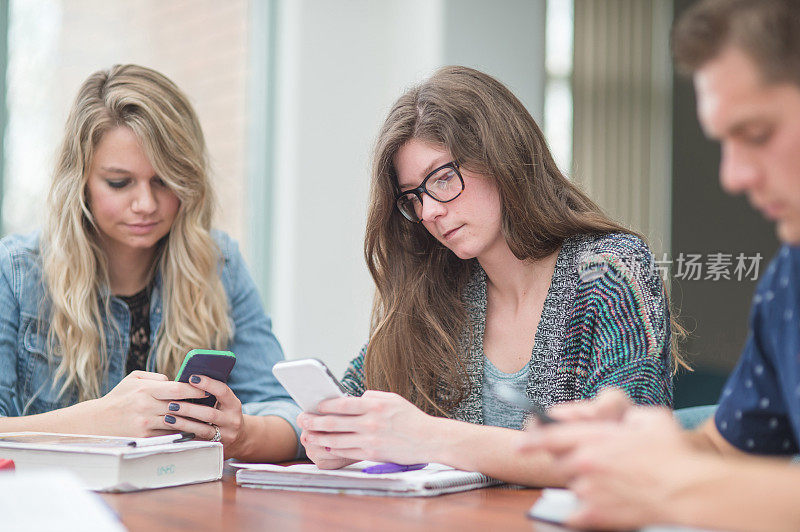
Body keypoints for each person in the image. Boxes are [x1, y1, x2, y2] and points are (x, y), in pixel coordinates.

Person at [297, 66, 685, 485]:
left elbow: (626, 455)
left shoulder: (610, 272)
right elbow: (356, 397)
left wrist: (426, 436)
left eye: (443, 178)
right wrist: (338, 436)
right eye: (413, 197)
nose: (429, 212)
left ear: (501, 159)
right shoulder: (438, 289)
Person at [524, 1, 800, 530]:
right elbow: (728, 449)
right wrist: (635, 450)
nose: (733, 176)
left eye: (758, 134)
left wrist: (678, 486)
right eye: (723, 142)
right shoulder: (787, 284)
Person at [0, 64, 302, 462]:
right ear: (81, 182)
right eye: (119, 183)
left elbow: (290, 420)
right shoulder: (16, 273)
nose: (145, 204)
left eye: (164, 180)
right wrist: (99, 420)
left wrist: (243, 434)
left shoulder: (219, 264)